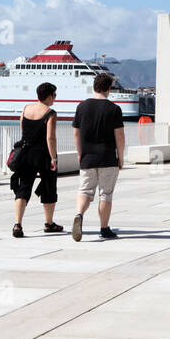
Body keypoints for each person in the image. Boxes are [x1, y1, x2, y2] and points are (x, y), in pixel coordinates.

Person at [71, 73, 125, 241]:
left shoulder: (82, 107)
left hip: (87, 157)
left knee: (85, 191)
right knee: (105, 194)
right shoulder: (114, 109)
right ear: (109, 88)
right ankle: (104, 228)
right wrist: (121, 157)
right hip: (107, 157)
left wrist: (80, 153)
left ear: (94, 86)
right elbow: (120, 136)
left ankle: (79, 214)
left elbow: (76, 133)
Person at [11, 82, 60, 238]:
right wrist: (53, 158)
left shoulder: (26, 109)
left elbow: (23, 130)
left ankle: (17, 224)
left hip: (25, 154)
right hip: (43, 155)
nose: (55, 98)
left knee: (23, 188)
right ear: (49, 96)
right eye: (55, 95)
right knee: (48, 186)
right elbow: (50, 138)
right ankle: (49, 223)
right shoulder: (50, 113)